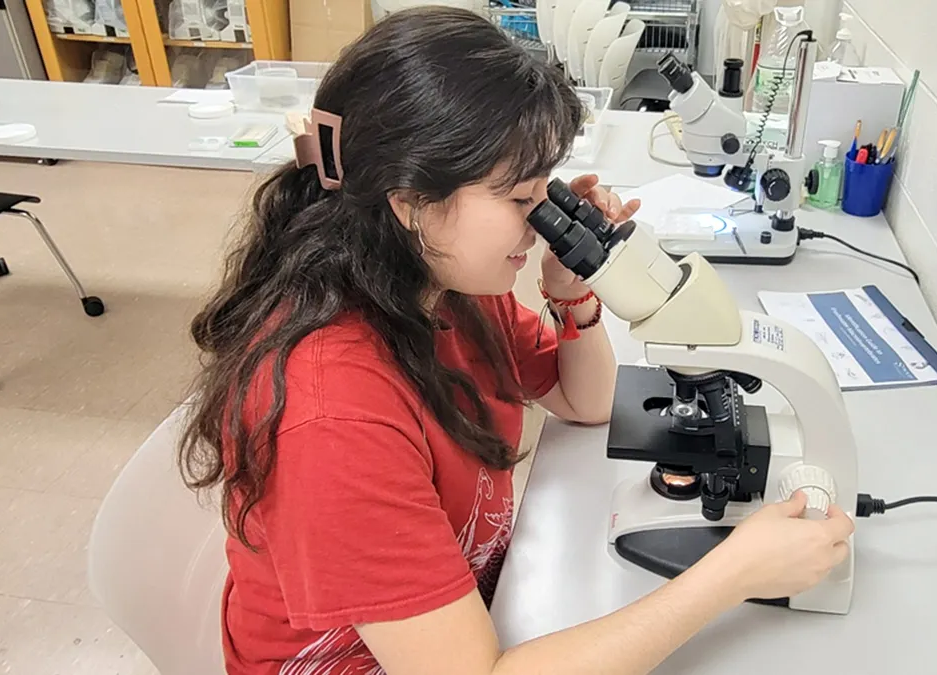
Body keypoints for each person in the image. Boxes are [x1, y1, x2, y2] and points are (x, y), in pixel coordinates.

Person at [178, 7, 854, 674]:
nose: (539, 218)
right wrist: (728, 574)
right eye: (518, 196)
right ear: (410, 200)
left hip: (463, 622)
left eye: (544, 191)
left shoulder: (441, 287)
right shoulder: (332, 415)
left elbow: (584, 400)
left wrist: (574, 290)